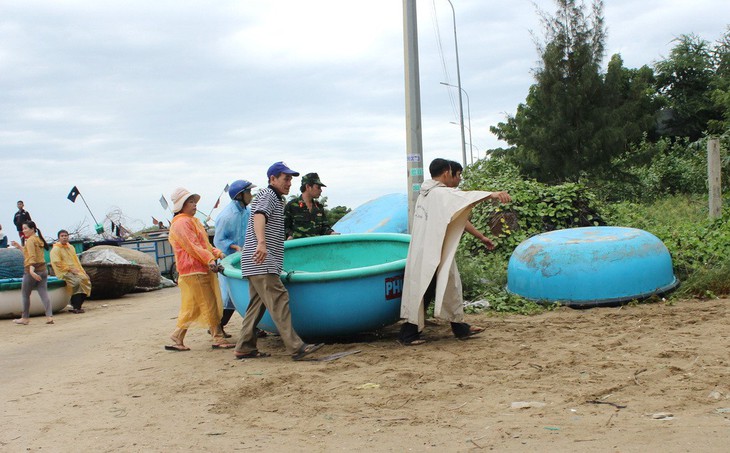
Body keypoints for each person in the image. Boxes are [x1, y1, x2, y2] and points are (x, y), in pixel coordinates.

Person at [399, 158, 511, 345]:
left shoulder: (427, 194)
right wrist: (493, 194)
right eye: (457, 175)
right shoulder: (440, 194)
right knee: (429, 289)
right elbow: (464, 198)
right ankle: (408, 335)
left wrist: (481, 237)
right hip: (432, 252)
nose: (458, 180)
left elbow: (457, 216)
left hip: (430, 251)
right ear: (446, 173)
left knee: (447, 286)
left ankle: (459, 328)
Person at [234, 162, 323, 360]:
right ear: (272, 179)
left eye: (291, 179)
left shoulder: (275, 198)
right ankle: (296, 347)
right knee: (279, 298)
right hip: (261, 259)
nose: (289, 183)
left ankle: (245, 346)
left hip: (256, 260)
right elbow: (259, 216)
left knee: (257, 305)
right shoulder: (268, 195)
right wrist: (262, 243)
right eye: (285, 178)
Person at [166, 187, 234, 351]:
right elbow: (192, 246)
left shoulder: (192, 221)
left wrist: (216, 253)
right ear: (182, 205)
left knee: (194, 306)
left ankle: (178, 336)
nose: (194, 204)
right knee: (209, 303)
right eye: (190, 202)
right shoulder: (182, 223)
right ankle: (217, 337)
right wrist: (210, 258)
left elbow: (204, 244)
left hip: (195, 269)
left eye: (194, 201)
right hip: (194, 269)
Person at [213, 179, 256, 337]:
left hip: (245, 257)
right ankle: (217, 327)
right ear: (240, 195)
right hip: (229, 260)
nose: (251, 195)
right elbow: (218, 241)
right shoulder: (226, 216)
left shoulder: (247, 211)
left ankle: (255, 326)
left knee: (248, 293)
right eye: (248, 192)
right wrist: (234, 246)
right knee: (228, 297)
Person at [11, 221, 54, 325]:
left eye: (25, 228)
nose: (23, 231)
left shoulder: (30, 240)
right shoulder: (38, 239)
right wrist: (19, 247)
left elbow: (32, 257)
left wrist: (31, 270)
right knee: (43, 293)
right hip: (43, 269)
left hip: (32, 270)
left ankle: (25, 318)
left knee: (25, 294)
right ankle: (49, 316)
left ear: (32, 229)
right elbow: (29, 253)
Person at [284, 172, 337, 239]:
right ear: (308, 187)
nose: (321, 190)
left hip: (316, 247)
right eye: (318, 187)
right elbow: (284, 227)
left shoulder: (319, 207)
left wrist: (330, 233)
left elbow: (324, 227)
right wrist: (290, 235)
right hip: (298, 247)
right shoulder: (292, 206)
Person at [50, 230, 91, 314]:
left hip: (75, 271)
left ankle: (79, 304)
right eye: (62, 236)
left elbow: (76, 261)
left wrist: (82, 272)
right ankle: (76, 306)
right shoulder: (56, 249)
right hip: (63, 272)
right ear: (59, 238)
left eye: (66, 235)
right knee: (76, 282)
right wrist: (69, 269)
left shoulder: (71, 247)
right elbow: (57, 263)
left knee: (85, 280)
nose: (64, 237)